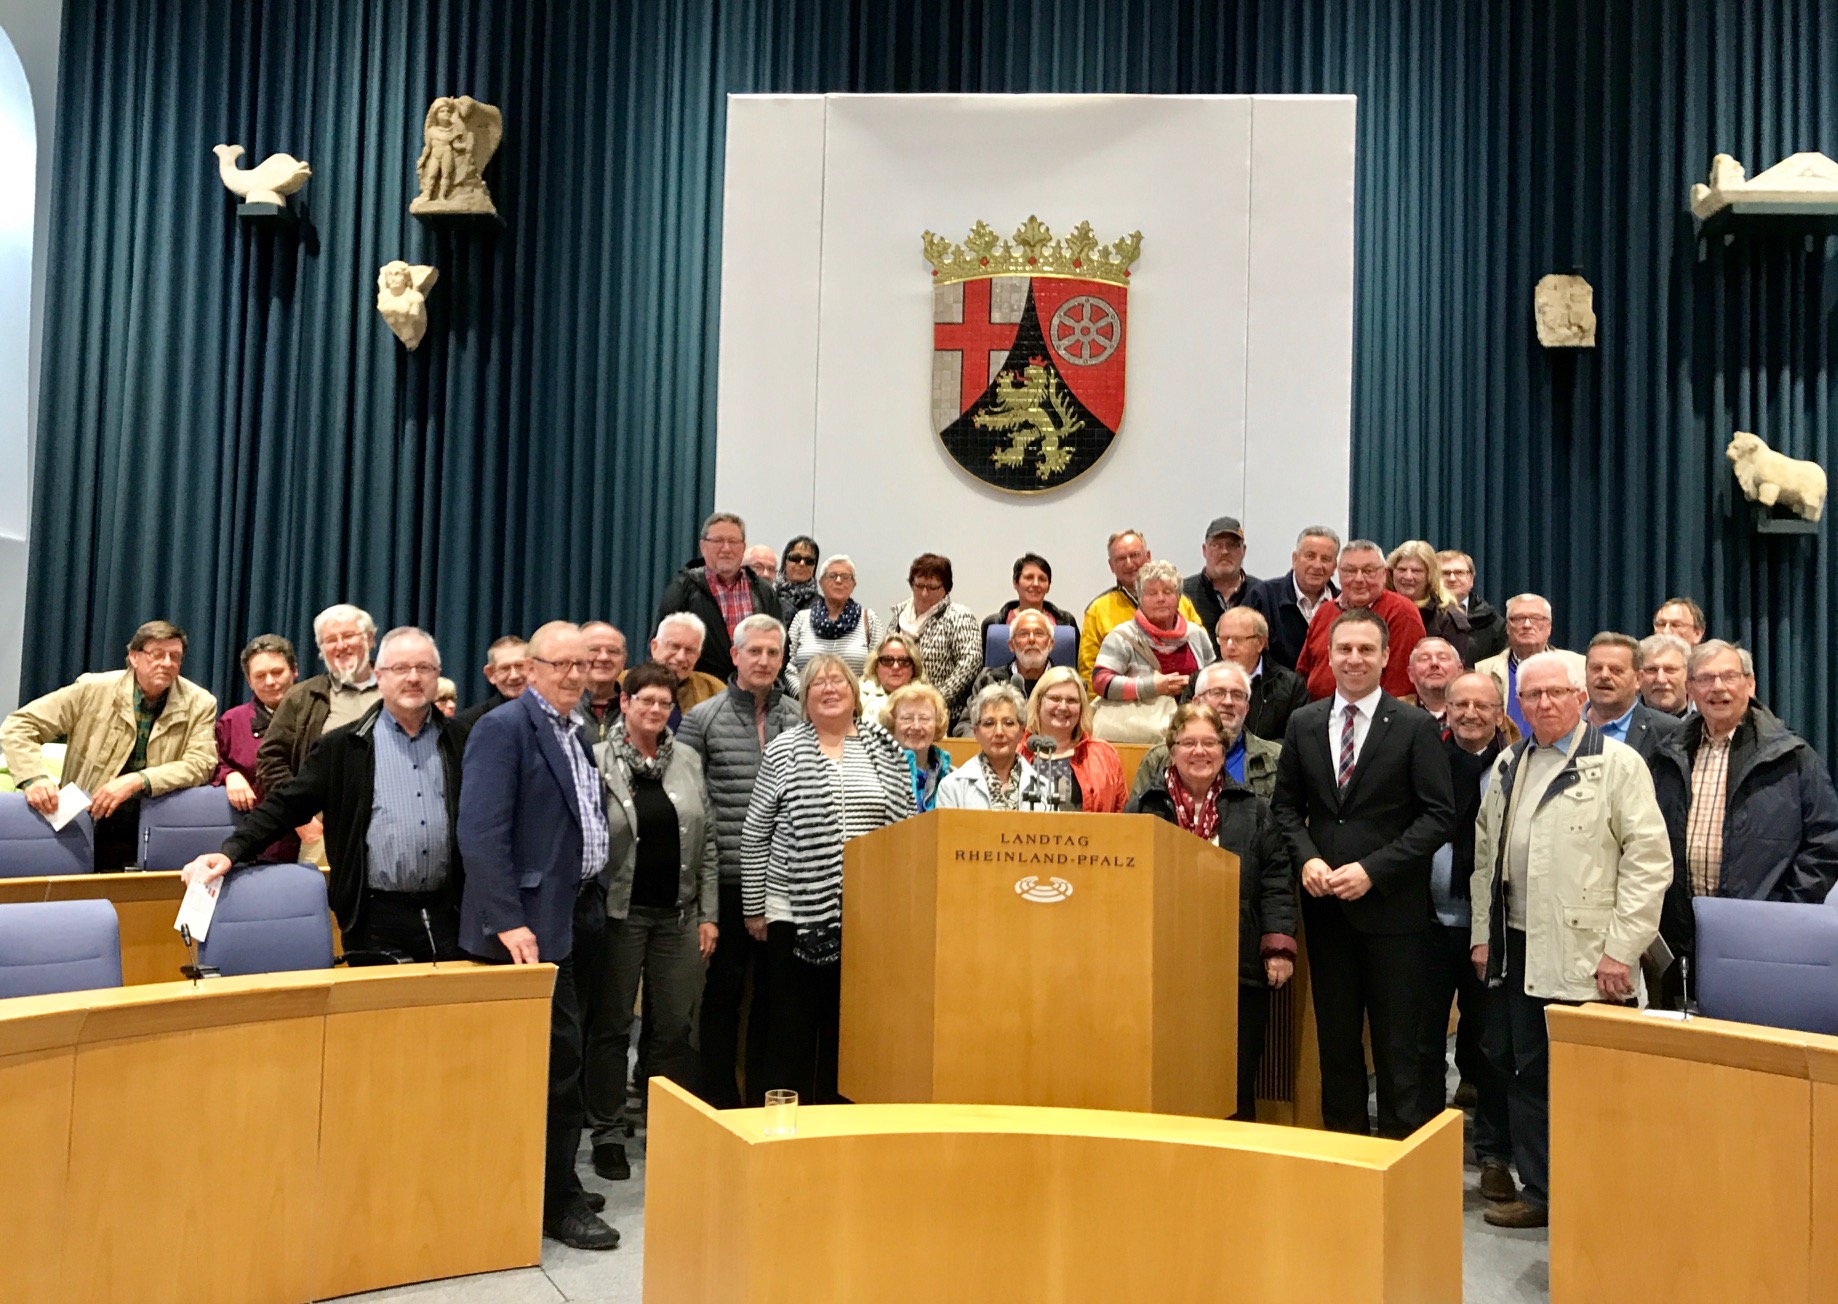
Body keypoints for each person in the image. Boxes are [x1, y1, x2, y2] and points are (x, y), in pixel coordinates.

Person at [1470, 652, 1672, 1228]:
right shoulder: (1510, 762)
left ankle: (1602, 1198)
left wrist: (1622, 949)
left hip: (1591, 954)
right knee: (1525, 1072)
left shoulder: (1617, 764)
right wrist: (1483, 936)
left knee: (1593, 1082)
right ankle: (1542, 1193)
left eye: (1556, 693)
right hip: (1518, 946)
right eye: (1531, 696)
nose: (1544, 704)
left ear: (1581, 696)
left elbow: (1649, 863)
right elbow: (1487, 855)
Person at [457, 621, 620, 1251]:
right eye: (561, 665)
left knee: (565, 1060)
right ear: (531, 667)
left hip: (568, 915)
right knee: (546, 1069)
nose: (575, 675)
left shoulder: (571, 731)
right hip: (521, 930)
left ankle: (553, 1180)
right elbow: (481, 833)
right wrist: (509, 920)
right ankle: (555, 1201)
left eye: (583, 665)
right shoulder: (504, 728)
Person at [1271, 607, 1455, 1138]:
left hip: (1394, 914)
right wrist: (1306, 856)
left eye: (1366, 650)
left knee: (1398, 1046)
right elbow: (1285, 808)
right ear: (1328, 656)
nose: (1354, 659)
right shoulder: (1304, 722)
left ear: (1385, 657)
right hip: (1326, 913)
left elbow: (1438, 816)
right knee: (1337, 1043)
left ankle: (1399, 1156)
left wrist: (1374, 871)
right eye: (1345, 649)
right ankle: (1345, 1151)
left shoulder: (1416, 725)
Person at [181, 626, 468, 962]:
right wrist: (230, 851)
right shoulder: (343, 747)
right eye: (400, 669)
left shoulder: (466, 741)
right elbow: (287, 804)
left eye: (425, 668)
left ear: (438, 676)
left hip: (454, 914)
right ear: (379, 676)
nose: (413, 678)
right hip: (373, 918)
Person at [742, 655, 914, 1103]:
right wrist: (754, 906)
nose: (829, 688)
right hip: (791, 912)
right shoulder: (783, 748)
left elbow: (904, 828)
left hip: (865, 916)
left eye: (838, 680)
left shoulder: (885, 747)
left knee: (850, 1030)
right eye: (818, 683)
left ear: (855, 693)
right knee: (790, 1029)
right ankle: (786, 1128)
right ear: (805, 696)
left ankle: (839, 1125)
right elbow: (756, 831)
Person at [579, 661, 718, 1182]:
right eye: (646, 702)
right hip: (620, 917)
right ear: (625, 703)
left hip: (679, 917)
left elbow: (710, 844)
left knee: (674, 1027)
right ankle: (608, 1132)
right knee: (612, 1027)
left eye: (665, 704)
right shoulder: (596, 762)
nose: (656, 711)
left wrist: (709, 915)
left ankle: (663, 1124)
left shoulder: (686, 759)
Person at [1128, 700, 1295, 1120]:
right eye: (1188, 743)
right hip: (1162, 964)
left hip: (1235, 965)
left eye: (1209, 743)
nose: (1199, 752)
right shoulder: (1144, 808)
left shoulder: (1253, 809)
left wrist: (1277, 945)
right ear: (1171, 749)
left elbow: (1275, 880)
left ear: (1223, 750)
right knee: (1166, 1070)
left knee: (1234, 1074)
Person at [678, 613, 803, 1109]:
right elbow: (689, 805)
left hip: (787, 886)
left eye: (774, 653)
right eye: (755, 651)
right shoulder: (701, 719)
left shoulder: (798, 715)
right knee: (722, 997)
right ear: (735, 655)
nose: (765, 661)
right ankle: (719, 1099)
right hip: (726, 881)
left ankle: (764, 1097)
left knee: (775, 1001)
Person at [1650, 640, 1838, 964]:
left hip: (1760, 933)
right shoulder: (1668, 755)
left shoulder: (1791, 757)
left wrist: (1786, 911)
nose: (1718, 687)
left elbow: (1825, 842)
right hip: (1680, 933)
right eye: (1706, 678)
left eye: (1729, 676)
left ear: (1749, 684)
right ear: (1690, 689)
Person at [3, 619, 219, 870]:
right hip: (84, 824)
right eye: (157, 655)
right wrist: (33, 777)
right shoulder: (92, 689)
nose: (167, 664)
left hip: (152, 829)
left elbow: (201, 763)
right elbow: (19, 725)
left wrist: (137, 780)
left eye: (175, 656)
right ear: (134, 657)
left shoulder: (201, 703)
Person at [1422, 672, 1516, 1205]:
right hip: (1428, 923)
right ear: (1447, 709)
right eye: (1461, 704)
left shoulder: (1518, 764)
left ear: (1500, 710)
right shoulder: (1425, 757)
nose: (1470, 714)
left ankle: (1494, 1157)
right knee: (1422, 1041)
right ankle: (1425, 1145)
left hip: (1492, 928)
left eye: (1482, 705)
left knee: (1492, 1047)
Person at [258, 604, 380, 841]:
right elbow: (270, 760)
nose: (341, 645)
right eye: (331, 640)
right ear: (322, 649)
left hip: (394, 826)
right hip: (326, 832)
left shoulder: (398, 688)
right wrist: (299, 816)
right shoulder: (302, 697)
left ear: (370, 639)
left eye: (348, 636)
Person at [1091, 560, 1216, 742]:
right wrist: (1152, 687)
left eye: (1168, 592)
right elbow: (1101, 682)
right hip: (1139, 738)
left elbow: (1213, 678)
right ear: (1140, 599)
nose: (1160, 598)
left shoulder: (1196, 634)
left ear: (1179, 597)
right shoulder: (1121, 637)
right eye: (1152, 593)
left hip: (1195, 735)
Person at [654, 511, 782, 681]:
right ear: (703, 547)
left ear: (743, 548)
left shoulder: (764, 592)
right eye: (718, 541)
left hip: (753, 692)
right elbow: (662, 646)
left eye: (733, 542)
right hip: (699, 692)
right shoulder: (683, 589)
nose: (726, 548)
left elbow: (780, 644)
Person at [1131, 660, 1283, 803]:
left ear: (1247, 707)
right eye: (1218, 693)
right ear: (1196, 702)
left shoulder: (1275, 758)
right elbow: (1137, 822)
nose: (1228, 702)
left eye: (1237, 695)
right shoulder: (1158, 759)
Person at [1294, 540, 1426, 701]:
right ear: (1339, 573)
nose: (1358, 579)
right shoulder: (1325, 611)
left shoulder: (1401, 612)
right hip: (1318, 715)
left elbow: (1401, 690)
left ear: (1384, 574)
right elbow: (1303, 672)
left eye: (1368, 571)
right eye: (1349, 571)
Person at [212, 634, 303, 862]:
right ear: (249, 681)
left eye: (277, 672)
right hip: (260, 845)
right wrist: (229, 775)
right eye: (260, 676)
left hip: (316, 838)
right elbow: (209, 760)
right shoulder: (232, 721)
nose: (270, 682)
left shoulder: (321, 712)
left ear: (294, 671)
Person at [1077, 529, 1202, 688]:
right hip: (1128, 706)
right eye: (1121, 558)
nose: (1129, 563)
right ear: (1111, 565)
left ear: (1148, 557)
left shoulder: (1182, 602)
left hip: (1186, 700)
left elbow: (1202, 654)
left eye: (1134, 555)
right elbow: (1090, 672)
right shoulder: (1097, 610)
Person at [1474, 594, 1584, 737]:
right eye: (1518, 619)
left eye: (1536, 618)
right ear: (1507, 627)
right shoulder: (1482, 671)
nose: (1527, 625)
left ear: (1549, 627)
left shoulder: (1579, 667)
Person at [887, 553, 982, 716]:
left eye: (932, 588)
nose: (924, 593)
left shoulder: (959, 615)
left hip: (943, 713)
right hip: (898, 708)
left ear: (945, 588)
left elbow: (970, 662)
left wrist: (936, 699)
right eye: (919, 585)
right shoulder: (898, 616)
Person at [1018, 667, 1125, 813]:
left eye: (1072, 700)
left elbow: (1123, 815)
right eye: (1055, 698)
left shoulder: (1104, 754)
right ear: (1038, 702)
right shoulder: (1015, 752)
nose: (1063, 707)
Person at [1244, 526, 1341, 671]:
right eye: (1310, 556)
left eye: (1326, 559)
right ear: (1294, 559)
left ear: (1334, 567)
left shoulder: (1344, 604)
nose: (1317, 565)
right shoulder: (1263, 597)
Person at [936, 683, 1043, 809]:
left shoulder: (1044, 787)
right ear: (976, 732)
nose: (999, 732)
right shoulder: (952, 785)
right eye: (989, 723)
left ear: (1022, 731)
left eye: (1008, 723)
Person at [785, 555, 882, 686]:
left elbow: (877, 668)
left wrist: (853, 699)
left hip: (857, 703)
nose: (838, 581)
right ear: (821, 582)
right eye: (832, 576)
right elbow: (789, 666)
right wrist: (803, 697)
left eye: (845, 577)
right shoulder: (801, 619)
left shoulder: (869, 620)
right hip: (803, 703)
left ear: (853, 584)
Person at [1582, 632, 1681, 760]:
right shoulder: (1564, 724)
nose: (1604, 675)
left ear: (1638, 679)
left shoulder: (1667, 732)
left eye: (1616, 670)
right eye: (1596, 668)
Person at [1215, 607, 1307, 744]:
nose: (1229, 646)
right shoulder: (1201, 681)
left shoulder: (1290, 685)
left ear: (1260, 643)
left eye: (1238, 639)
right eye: (1224, 639)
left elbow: (1297, 739)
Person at [955, 610, 1055, 736]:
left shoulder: (1066, 684)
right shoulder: (989, 680)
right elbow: (965, 726)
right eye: (1023, 634)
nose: (1031, 639)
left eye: (1039, 634)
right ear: (1011, 645)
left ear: (1051, 644)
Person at [634, 613, 726, 729]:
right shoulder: (624, 683)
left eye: (690, 650)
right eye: (674, 646)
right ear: (654, 647)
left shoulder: (714, 690)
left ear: (698, 656)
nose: (681, 657)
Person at [1386, 539, 1469, 664]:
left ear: (1429, 576)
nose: (1408, 577)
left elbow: (1453, 671)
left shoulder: (1448, 618)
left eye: (1416, 571)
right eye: (1402, 570)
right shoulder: (1381, 609)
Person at [883, 682, 955, 813]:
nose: (916, 726)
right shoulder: (880, 772)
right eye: (907, 718)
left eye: (924, 719)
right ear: (892, 724)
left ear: (937, 725)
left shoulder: (952, 776)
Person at [980, 552, 1079, 646]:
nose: (1036, 584)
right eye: (1029, 578)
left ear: (1048, 586)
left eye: (1042, 579)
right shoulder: (994, 624)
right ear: (1015, 583)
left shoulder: (1066, 622)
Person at [1182, 515, 1259, 635]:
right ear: (1204, 550)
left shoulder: (1261, 594)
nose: (1224, 551)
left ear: (1243, 550)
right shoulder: (1183, 594)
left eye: (1232, 545)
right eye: (1216, 545)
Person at [1437, 549, 1506, 664]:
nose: (1452, 579)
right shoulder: (1423, 614)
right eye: (1445, 573)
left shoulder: (1492, 620)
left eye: (1459, 573)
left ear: (1471, 579)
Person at [455, 635, 531, 730]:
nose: (514, 676)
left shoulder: (551, 713)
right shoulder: (469, 722)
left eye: (520, 666)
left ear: (533, 668)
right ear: (490, 674)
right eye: (505, 668)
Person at [573, 621, 628, 745]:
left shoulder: (636, 709)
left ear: (624, 660)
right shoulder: (561, 707)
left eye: (613, 651)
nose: (604, 657)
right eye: (593, 650)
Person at [858, 631, 926, 721]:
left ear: (913, 668)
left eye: (904, 661)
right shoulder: (857, 695)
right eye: (887, 660)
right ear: (876, 666)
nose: (895, 667)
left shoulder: (927, 698)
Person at [1402, 637, 1463, 725]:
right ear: (1411, 674)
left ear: (1459, 670)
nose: (1434, 663)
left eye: (1443, 658)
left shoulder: (1476, 711)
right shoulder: (1395, 713)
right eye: (1425, 659)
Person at [1637, 633, 1692, 718]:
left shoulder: (1707, 718)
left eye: (1670, 669)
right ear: (1638, 676)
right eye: (1651, 670)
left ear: (1688, 674)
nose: (1661, 679)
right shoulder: (1620, 717)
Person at [775, 535, 822, 620]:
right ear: (785, 562)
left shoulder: (822, 606)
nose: (802, 564)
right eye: (796, 558)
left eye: (809, 561)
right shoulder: (769, 596)